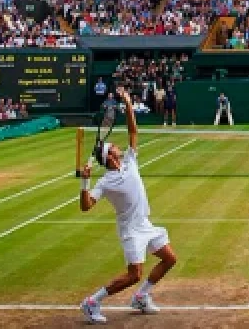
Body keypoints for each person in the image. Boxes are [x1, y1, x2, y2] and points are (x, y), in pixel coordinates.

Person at [79, 89, 178, 324]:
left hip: (145, 224)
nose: (118, 147)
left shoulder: (129, 161)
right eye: (113, 147)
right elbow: (86, 206)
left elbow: (134, 131)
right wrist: (85, 181)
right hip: (131, 231)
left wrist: (129, 105)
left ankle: (141, 296)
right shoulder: (104, 182)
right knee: (134, 274)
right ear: (109, 156)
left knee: (169, 259)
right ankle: (92, 302)